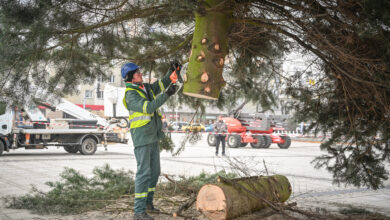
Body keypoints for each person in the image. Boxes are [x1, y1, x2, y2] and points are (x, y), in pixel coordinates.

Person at [122, 62, 179, 220]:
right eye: (136, 73)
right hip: (142, 137)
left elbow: (162, 84)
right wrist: (167, 95)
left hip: (153, 135)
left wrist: (172, 71)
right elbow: (148, 107)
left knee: (154, 172)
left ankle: (148, 204)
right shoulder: (130, 94)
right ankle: (138, 212)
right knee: (144, 173)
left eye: (139, 71)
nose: (140, 74)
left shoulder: (145, 88)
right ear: (129, 77)